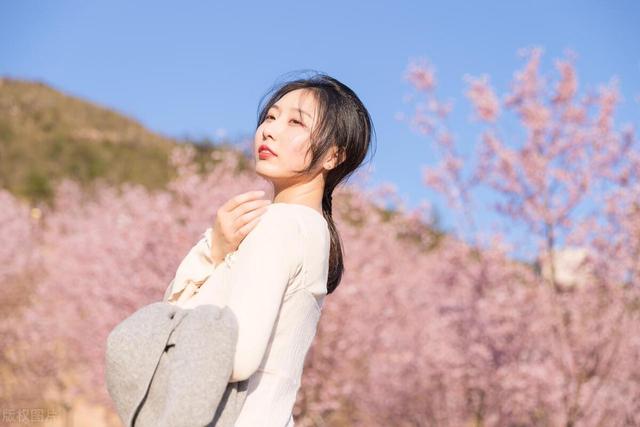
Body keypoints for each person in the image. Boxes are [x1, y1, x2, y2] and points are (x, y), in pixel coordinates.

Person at [162, 72, 375, 426]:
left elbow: (235, 355)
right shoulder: (312, 230)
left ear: (334, 156)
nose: (270, 131)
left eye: (296, 122)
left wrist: (212, 253)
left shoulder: (280, 224)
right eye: (271, 117)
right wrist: (216, 249)